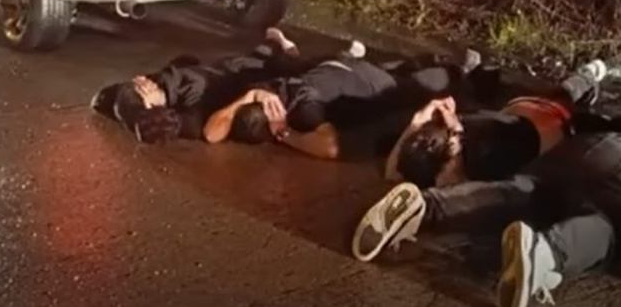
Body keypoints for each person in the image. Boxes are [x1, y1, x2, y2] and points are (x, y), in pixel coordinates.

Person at [352, 129, 621, 307]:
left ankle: (424, 206)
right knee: (608, 230)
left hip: (594, 146)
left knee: (525, 191)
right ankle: (546, 253)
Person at [200, 45, 479, 159]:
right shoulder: (286, 101)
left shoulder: (281, 97)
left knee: (405, 78)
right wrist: (280, 130)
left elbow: (211, 133)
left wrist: (278, 127)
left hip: (356, 73)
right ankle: (455, 70)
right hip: (360, 77)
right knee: (410, 80)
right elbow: (331, 146)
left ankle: (448, 67)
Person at [385, 59, 607, 188]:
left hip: (547, 118)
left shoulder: (473, 161)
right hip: (538, 115)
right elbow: (392, 174)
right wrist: (418, 121)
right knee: (567, 99)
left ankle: (587, 77)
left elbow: (391, 173)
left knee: (569, 100)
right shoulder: (466, 157)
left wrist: (417, 123)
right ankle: (588, 77)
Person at [91, 28, 304, 143]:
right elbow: (202, 131)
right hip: (232, 75)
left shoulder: (167, 84)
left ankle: (276, 42)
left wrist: (142, 103)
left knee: (261, 56)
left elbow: (102, 98)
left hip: (215, 69)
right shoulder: (190, 100)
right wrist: (145, 113)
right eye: (142, 89)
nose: (143, 85)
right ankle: (277, 43)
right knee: (263, 61)